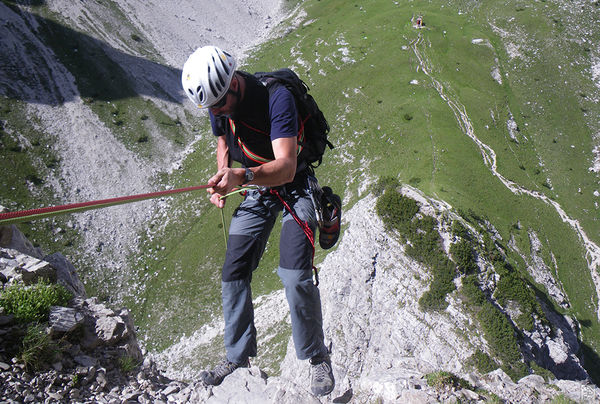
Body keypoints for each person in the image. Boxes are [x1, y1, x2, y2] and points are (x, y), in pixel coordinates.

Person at [181, 45, 335, 396]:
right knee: (233, 270)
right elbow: (223, 139)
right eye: (210, 107)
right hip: (253, 187)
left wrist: (240, 177)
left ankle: (317, 357)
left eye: (219, 104)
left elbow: (286, 166)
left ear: (234, 84)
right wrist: (222, 177)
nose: (215, 111)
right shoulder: (216, 99)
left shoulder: (276, 99)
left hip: (293, 186)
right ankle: (237, 355)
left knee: (295, 274)